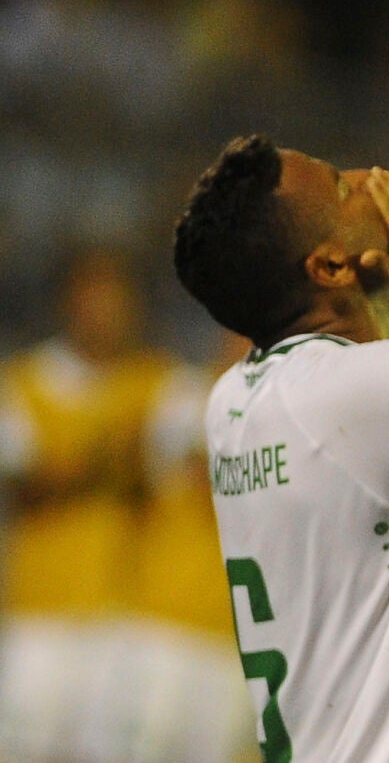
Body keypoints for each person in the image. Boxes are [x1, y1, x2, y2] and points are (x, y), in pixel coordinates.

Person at [172, 133, 389, 762]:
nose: (371, 171)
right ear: (329, 267)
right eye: (342, 185)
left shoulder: (237, 399)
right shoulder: (366, 394)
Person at [0, 246, 252, 763]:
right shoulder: (22, 382)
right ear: (67, 301)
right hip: (39, 613)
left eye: (117, 297)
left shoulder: (158, 382)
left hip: (120, 619)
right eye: (94, 296)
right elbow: (26, 485)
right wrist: (105, 453)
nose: (106, 311)